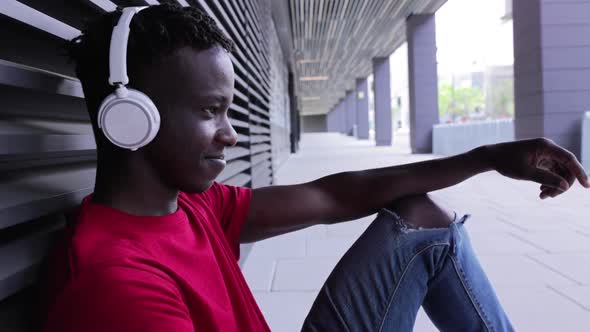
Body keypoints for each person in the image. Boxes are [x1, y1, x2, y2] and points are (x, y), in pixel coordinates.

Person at [41, 4, 589, 332]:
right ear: (130, 119)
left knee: (424, 223)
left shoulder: (190, 205)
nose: (231, 133)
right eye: (211, 111)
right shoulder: (119, 285)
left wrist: (488, 159)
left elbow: (335, 196)